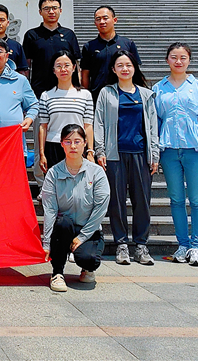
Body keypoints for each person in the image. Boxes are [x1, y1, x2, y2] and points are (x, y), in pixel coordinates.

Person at [153, 42, 198, 266]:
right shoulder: (159, 88)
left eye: (183, 57)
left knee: (197, 199)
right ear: (167, 60)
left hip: (195, 148)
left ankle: (196, 246)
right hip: (169, 149)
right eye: (174, 57)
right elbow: (155, 120)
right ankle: (183, 244)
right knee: (176, 199)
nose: (178, 61)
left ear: (189, 60)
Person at [94, 50, 159, 266]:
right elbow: (99, 123)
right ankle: (121, 244)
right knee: (117, 201)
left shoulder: (146, 95)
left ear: (134, 68)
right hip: (115, 155)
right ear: (113, 69)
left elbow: (152, 126)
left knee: (142, 202)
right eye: (120, 65)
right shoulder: (106, 93)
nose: (125, 69)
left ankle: (141, 245)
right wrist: (100, 151)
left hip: (140, 154)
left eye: (128, 65)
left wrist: (154, 154)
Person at [40, 124, 110, 292]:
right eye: (68, 141)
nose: (73, 146)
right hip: (64, 229)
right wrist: (47, 243)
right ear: (61, 144)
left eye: (77, 141)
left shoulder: (96, 172)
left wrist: (83, 236)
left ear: (85, 143)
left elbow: (100, 208)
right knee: (62, 223)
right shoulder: (53, 173)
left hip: (89, 229)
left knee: (89, 259)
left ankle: (87, 268)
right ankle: (57, 273)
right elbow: (49, 210)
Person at [38, 51, 94, 173]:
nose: (63, 69)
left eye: (67, 65)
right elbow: (43, 126)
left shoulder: (85, 95)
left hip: (77, 146)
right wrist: (42, 154)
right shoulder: (46, 96)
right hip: (53, 146)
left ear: (74, 68)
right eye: (58, 66)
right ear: (53, 70)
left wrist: (90, 151)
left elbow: (88, 125)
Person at [22, 0, 81, 99]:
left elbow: (76, 63)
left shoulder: (69, 34)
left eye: (54, 8)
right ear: (40, 12)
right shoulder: (32, 35)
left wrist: (78, 86)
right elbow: (26, 65)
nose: (51, 12)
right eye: (46, 8)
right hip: (39, 90)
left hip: (65, 90)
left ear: (60, 10)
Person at [81, 5, 141, 104]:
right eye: (98, 19)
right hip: (97, 96)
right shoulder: (89, 46)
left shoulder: (127, 44)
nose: (102, 22)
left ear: (114, 20)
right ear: (95, 23)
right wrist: (86, 95)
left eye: (105, 18)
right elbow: (85, 74)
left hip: (124, 95)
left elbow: (136, 71)